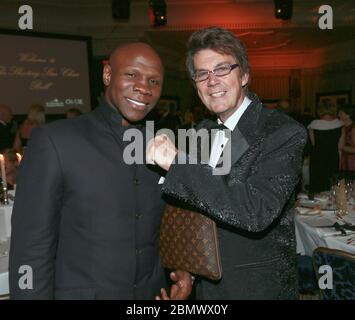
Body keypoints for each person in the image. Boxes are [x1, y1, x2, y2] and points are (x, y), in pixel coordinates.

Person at [9, 42, 192, 300]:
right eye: (132, 75)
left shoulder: (163, 147)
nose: (143, 88)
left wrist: (183, 269)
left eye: (154, 81)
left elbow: (163, 225)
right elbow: (31, 248)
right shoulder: (56, 141)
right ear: (108, 75)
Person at [147, 27, 307, 299]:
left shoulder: (283, 132)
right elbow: (193, 208)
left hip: (256, 289)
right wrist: (186, 272)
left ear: (244, 74)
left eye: (222, 69)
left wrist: (178, 163)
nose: (212, 81)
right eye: (202, 74)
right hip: (205, 290)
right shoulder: (200, 133)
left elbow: (256, 211)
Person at [308, 104, 344, 193]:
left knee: (317, 186)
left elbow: (313, 143)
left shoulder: (313, 124)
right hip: (332, 157)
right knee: (331, 185)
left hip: (317, 158)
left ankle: (317, 205)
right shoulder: (340, 124)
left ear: (319, 111)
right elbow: (341, 146)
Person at [338, 104, 355, 172]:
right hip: (343, 158)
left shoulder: (353, 128)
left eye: (341, 113)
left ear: (348, 115)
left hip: (351, 161)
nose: (338, 115)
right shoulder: (342, 127)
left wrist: (342, 147)